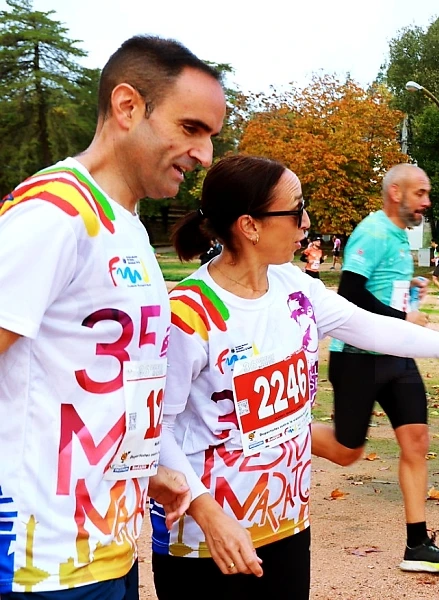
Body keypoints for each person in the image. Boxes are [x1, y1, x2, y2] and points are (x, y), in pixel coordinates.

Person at [151, 156, 439, 598]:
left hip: (286, 523)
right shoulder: (189, 315)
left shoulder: (295, 288)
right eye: (296, 209)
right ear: (250, 226)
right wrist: (207, 513)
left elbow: (369, 326)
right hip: (207, 541)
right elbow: (155, 429)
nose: (306, 221)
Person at [0, 35, 225, 599]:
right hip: (38, 563)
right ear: (128, 108)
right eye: (191, 128)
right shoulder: (51, 215)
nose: (205, 156)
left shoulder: (125, 224)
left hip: (107, 549)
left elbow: (87, 386)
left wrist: (144, 469)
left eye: (211, 137)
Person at [314, 163, 439, 573]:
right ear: (397, 193)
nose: (426, 202)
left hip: (396, 356)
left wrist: (409, 293)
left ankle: (417, 545)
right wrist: (402, 317)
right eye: (421, 193)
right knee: (345, 451)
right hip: (357, 359)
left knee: (416, 442)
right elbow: (349, 295)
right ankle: (285, 437)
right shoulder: (371, 232)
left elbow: (379, 290)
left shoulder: (398, 234)